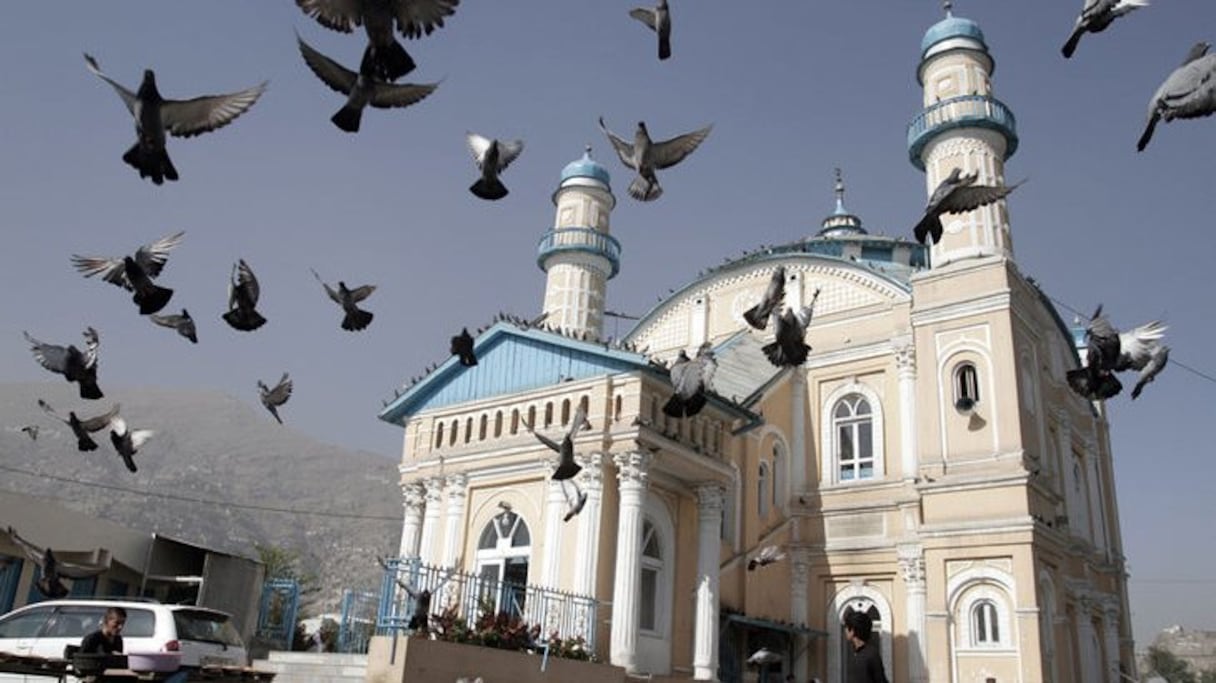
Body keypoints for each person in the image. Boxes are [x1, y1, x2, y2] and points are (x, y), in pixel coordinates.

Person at [843, 611, 888, 683]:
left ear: (852, 631)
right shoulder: (856, 653)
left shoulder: (871, 654)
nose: (845, 631)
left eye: (846, 627)